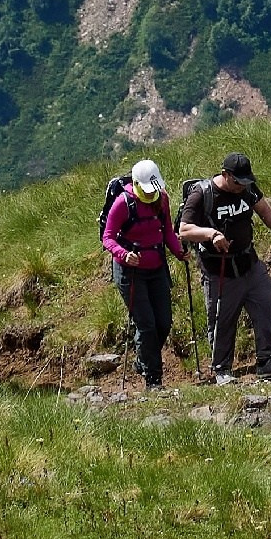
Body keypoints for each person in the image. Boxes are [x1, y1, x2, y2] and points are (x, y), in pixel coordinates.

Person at [179, 152, 271, 382]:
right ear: (225, 175)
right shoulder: (202, 195)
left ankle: (266, 361)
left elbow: (264, 211)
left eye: (246, 181)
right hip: (219, 271)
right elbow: (184, 229)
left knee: (265, 302)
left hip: (249, 263)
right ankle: (222, 368)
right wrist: (211, 234)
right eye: (238, 182)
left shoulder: (248, 189)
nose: (243, 186)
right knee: (222, 319)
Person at [103, 159, 181, 389]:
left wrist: (178, 252)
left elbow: (167, 230)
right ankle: (153, 379)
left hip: (156, 269)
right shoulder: (122, 203)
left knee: (163, 323)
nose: (151, 195)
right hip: (130, 273)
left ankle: (143, 360)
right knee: (146, 324)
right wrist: (124, 254)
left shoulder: (162, 199)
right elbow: (107, 237)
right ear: (136, 184)